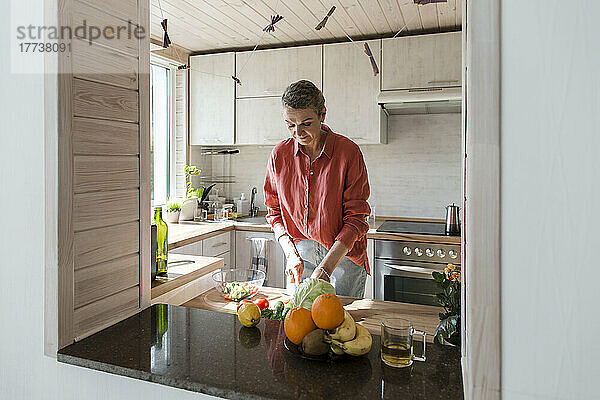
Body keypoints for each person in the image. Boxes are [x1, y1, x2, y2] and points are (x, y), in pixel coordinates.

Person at [263, 80, 371, 298]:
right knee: (301, 323)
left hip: (343, 256)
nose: (298, 132)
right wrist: (291, 253)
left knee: (341, 325)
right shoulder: (279, 155)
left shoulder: (348, 153)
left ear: (322, 115)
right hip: (300, 254)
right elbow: (274, 213)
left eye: (306, 123)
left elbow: (357, 219)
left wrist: (326, 267)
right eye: (290, 124)